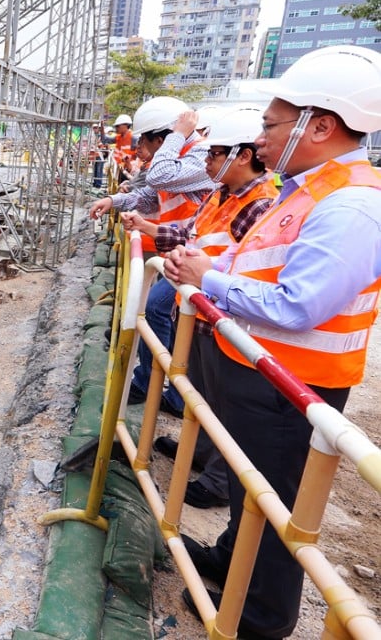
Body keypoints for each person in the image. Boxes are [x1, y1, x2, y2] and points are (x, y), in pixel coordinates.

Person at [164, 44, 381, 639]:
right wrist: (207, 262)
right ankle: (235, 559)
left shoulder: (353, 205)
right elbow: (249, 258)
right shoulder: (306, 188)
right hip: (259, 369)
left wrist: (210, 281)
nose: (259, 139)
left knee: (276, 502)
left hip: (294, 386)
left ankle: (259, 617)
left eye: (269, 125)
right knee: (249, 488)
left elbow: (301, 304)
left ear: (320, 126)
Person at [120, 107, 278, 509]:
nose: (206, 162)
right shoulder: (221, 194)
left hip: (224, 317)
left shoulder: (261, 206)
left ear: (242, 155)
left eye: (214, 154)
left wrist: (194, 270)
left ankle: (218, 481)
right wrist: (147, 228)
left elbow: (229, 260)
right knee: (203, 391)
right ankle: (203, 451)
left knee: (226, 403)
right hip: (198, 311)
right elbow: (190, 234)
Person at [90, 98, 216, 417]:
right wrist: (113, 199)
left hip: (199, 256)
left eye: (144, 140)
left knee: (156, 308)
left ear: (160, 138)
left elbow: (157, 177)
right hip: (179, 249)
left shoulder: (197, 155)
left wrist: (177, 135)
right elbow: (149, 195)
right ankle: (167, 388)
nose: (140, 148)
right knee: (169, 315)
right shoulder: (180, 158)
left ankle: (153, 384)